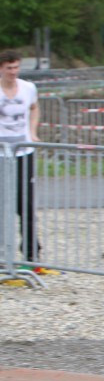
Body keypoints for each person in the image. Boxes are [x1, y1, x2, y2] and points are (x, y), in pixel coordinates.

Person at [0, 50, 41, 263]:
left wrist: (32, 132)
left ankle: (32, 252)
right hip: (1, 154)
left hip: (24, 152)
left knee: (25, 203)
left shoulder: (28, 88)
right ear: (1, 69)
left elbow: (34, 108)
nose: (13, 72)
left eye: (16, 67)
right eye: (9, 68)